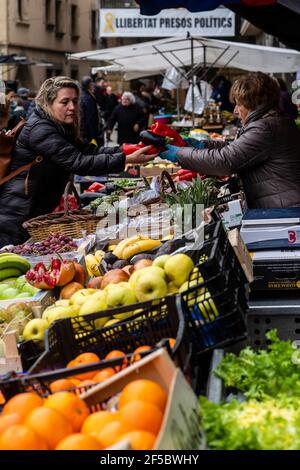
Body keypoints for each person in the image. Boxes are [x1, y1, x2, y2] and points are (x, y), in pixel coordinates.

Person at [0, 76, 157, 248]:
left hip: (31, 209)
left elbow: (90, 151)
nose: (72, 107)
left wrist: (127, 149)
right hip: (17, 214)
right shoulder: (41, 130)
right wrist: (126, 160)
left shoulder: (57, 126)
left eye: (75, 101)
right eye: (64, 102)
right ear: (48, 103)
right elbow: (79, 163)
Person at [159, 72, 300, 209]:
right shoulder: (273, 122)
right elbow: (237, 148)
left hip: (283, 211)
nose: (235, 111)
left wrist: (179, 153)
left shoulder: (264, 128)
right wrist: (203, 145)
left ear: (255, 105)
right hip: (281, 207)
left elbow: (225, 161)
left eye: (239, 104)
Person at [80, 76, 104, 146]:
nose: (93, 85)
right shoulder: (87, 98)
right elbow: (90, 118)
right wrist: (93, 136)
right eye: (92, 83)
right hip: (89, 133)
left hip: (85, 131)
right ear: (89, 85)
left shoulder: (83, 94)